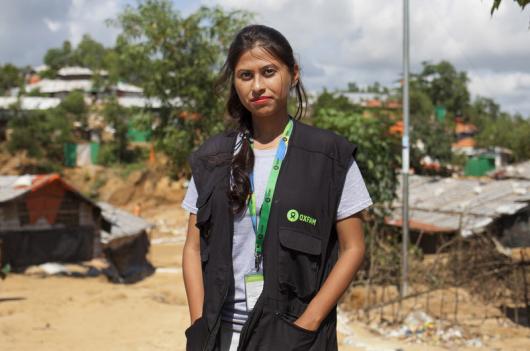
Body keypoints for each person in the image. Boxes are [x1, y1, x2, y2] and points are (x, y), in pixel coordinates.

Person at [181, 24, 371, 351]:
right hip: (218, 337)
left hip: (295, 339)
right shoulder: (212, 159)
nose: (258, 86)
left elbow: (353, 248)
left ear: (293, 74)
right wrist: (199, 322)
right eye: (245, 75)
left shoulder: (331, 157)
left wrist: (304, 327)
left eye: (269, 72)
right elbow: (192, 248)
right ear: (235, 83)